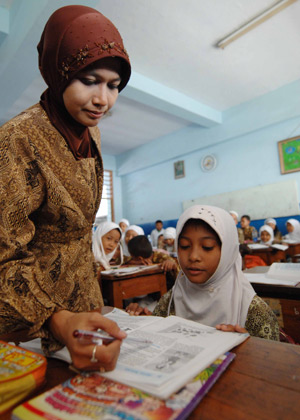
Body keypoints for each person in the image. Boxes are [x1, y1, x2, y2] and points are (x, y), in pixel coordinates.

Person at [0, 5, 132, 371]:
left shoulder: (93, 134)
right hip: (28, 322)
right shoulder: (18, 139)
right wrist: (57, 321)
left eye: (114, 85)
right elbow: (3, 258)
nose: (102, 99)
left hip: (85, 307)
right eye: (89, 81)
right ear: (58, 72)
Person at [126, 205, 279, 341]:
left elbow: (274, 367)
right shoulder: (172, 299)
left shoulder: (254, 311)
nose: (193, 256)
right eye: (185, 246)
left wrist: (249, 349)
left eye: (207, 247)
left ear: (227, 252)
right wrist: (146, 322)